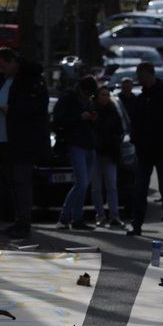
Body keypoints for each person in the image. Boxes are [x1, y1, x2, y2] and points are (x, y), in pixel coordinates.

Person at [0, 47, 49, 239]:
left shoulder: (31, 78)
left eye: (3, 66)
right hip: (4, 137)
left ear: (13, 61)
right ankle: (15, 219)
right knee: (11, 182)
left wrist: (12, 110)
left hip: (23, 139)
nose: (1, 70)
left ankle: (24, 222)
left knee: (22, 181)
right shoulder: (0, 79)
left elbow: (38, 105)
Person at [126, 61, 163, 239]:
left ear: (149, 75)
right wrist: (136, 140)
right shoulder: (142, 97)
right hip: (145, 151)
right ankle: (137, 225)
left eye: (141, 77)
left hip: (162, 150)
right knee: (140, 189)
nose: (139, 80)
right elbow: (135, 122)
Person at [53, 75, 99, 230]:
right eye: (88, 94)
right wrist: (80, 117)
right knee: (82, 183)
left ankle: (77, 218)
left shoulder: (87, 101)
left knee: (82, 184)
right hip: (75, 144)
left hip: (88, 143)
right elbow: (58, 119)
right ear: (82, 90)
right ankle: (64, 217)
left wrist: (92, 117)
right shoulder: (69, 98)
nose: (89, 97)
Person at [90, 85, 124, 227]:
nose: (105, 97)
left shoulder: (112, 111)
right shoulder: (92, 111)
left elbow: (120, 130)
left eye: (106, 95)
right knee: (96, 187)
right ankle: (100, 215)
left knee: (111, 186)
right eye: (102, 94)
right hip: (95, 153)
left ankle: (114, 215)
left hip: (110, 153)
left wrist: (115, 141)